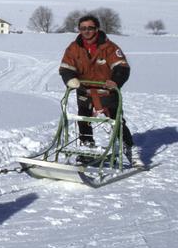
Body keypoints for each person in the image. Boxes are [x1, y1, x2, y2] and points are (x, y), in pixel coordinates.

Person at [58, 14, 139, 165]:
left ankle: (129, 149)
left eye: (90, 28)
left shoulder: (109, 48)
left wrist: (115, 81)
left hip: (107, 91)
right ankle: (87, 148)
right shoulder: (74, 48)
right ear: (79, 30)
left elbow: (122, 67)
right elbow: (65, 67)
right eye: (83, 28)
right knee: (83, 119)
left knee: (116, 121)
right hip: (84, 90)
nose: (86, 31)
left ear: (97, 29)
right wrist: (70, 79)